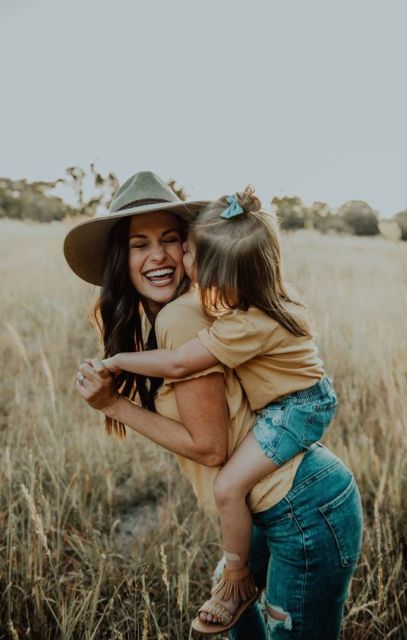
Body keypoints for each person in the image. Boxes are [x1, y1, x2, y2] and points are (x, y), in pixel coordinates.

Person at [64, 171, 363, 639]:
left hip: (301, 506)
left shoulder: (181, 316)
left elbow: (210, 449)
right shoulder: (189, 309)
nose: (159, 255)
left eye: (170, 239)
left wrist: (113, 405)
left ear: (193, 248)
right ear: (121, 257)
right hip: (287, 497)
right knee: (237, 617)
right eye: (140, 244)